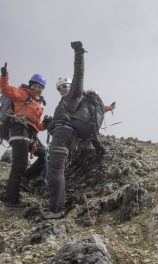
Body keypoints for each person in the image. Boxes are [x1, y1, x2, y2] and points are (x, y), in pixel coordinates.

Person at [44, 41, 115, 219]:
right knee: (55, 169)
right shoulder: (66, 103)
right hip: (67, 135)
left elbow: (78, 73)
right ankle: (56, 206)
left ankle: (56, 210)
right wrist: (50, 123)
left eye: (65, 86)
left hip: (63, 135)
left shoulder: (74, 95)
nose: (62, 89)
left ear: (71, 86)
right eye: (59, 88)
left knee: (55, 170)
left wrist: (79, 52)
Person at [0, 63, 47, 208]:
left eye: (40, 87)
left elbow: (37, 125)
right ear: (31, 85)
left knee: (46, 155)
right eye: (36, 85)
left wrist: (46, 123)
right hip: (19, 129)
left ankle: (26, 178)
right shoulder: (22, 93)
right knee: (19, 164)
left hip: (31, 134)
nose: (38, 89)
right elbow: (5, 90)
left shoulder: (38, 104)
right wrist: (4, 76)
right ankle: (12, 200)